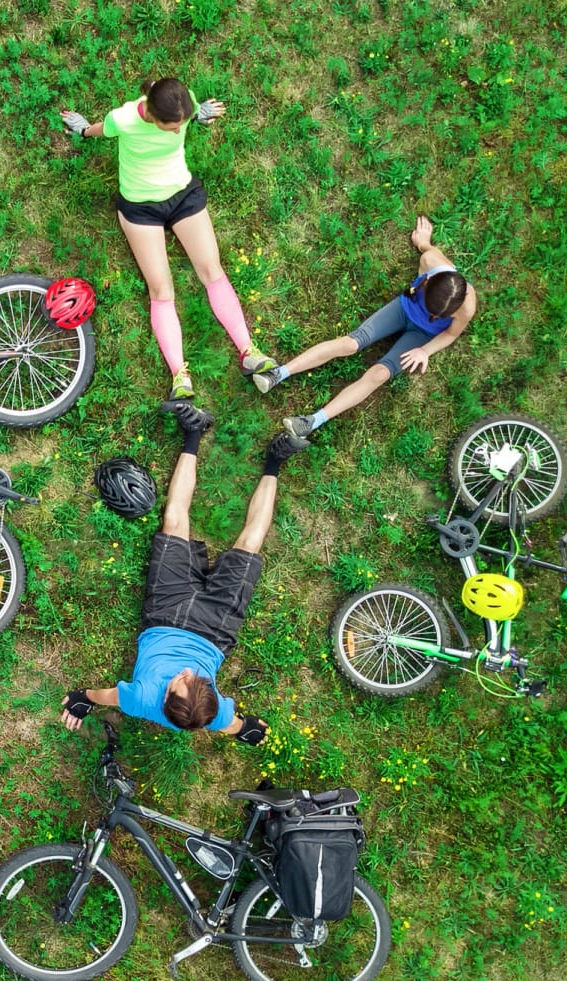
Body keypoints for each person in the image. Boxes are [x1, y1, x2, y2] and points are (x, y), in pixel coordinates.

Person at [59, 401, 308, 743]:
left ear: (165, 697)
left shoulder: (140, 699)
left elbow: (103, 696)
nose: (190, 670)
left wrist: (81, 699)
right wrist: (246, 729)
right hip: (216, 627)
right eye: (197, 680)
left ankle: (193, 433)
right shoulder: (215, 712)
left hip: (165, 612)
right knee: (251, 542)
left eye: (181, 679)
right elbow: (234, 725)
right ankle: (275, 461)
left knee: (175, 521)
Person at [60, 79, 274, 403]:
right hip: (141, 208)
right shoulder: (124, 118)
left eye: (182, 124)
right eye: (171, 127)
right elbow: (99, 130)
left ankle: (248, 351)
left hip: (183, 194)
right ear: (152, 117)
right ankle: (180, 376)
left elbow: (184, 113)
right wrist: (83, 128)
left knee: (212, 271)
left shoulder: (182, 100)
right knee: (162, 291)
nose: (177, 131)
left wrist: (198, 114)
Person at [252, 214, 480, 443]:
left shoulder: (466, 307)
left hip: (422, 335)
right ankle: (277, 374)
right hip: (403, 309)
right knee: (350, 343)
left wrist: (425, 351)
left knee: (380, 374)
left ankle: (312, 421)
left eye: (440, 316)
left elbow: (450, 334)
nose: (433, 317)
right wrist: (423, 242)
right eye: (432, 310)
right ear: (428, 284)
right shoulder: (431, 263)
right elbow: (426, 248)